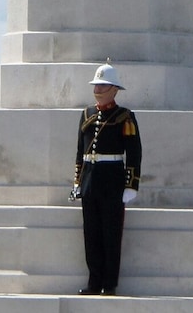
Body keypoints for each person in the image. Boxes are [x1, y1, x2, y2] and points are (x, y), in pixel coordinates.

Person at [72, 59, 142, 297]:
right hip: (90, 179)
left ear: (114, 89)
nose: (97, 90)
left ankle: (109, 282)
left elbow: (134, 152)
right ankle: (94, 280)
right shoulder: (86, 114)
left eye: (102, 86)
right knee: (91, 233)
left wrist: (131, 184)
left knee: (111, 233)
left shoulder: (125, 116)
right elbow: (80, 152)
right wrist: (77, 181)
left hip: (112, 179)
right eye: (96, 86)